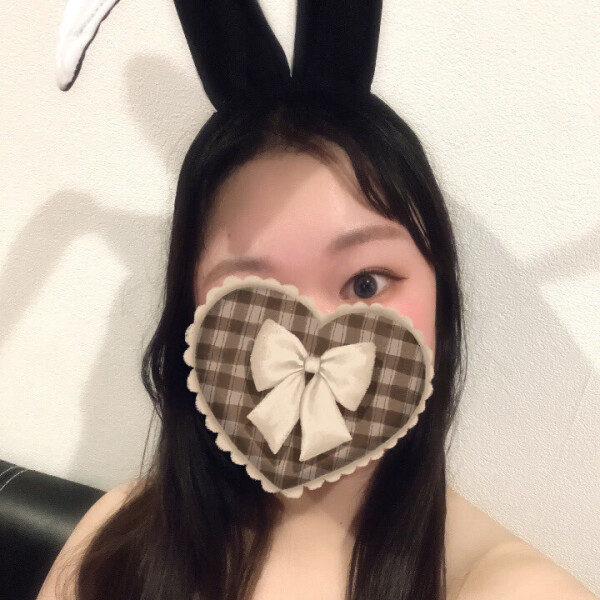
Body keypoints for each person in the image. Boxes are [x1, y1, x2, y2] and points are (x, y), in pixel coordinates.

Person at [40, 1, 597, 599]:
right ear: (190, 319)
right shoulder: (110, 540)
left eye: (366, 283)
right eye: (248, 292)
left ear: (441, 297)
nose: (312, 339)